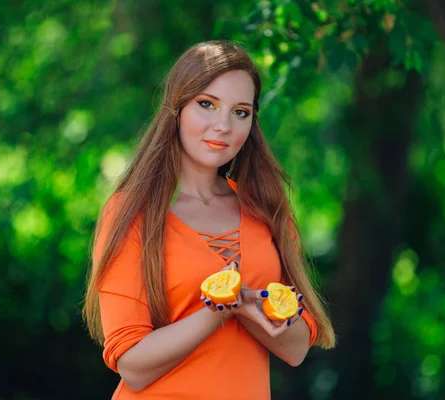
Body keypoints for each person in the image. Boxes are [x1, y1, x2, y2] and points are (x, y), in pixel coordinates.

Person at [83, 40, 336, 400]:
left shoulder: (265, 208)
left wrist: (246, 302)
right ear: (177, 108)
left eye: (240, 112)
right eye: (207, 105)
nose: (223, 126)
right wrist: (221, 309)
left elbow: (295, 350)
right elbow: (131, 365)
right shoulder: (132, 211)